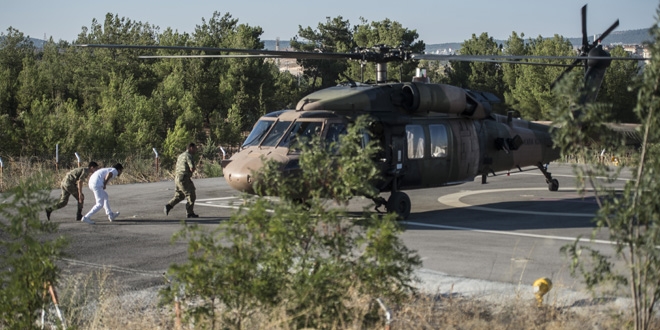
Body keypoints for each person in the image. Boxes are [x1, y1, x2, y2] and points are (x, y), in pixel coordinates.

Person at [164, 143, 199, 218]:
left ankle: (169, 206)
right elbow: (192, 168)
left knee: (179, 195)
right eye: (195, 148)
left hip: (177, 178)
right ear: (191, 148)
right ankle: (190, 213)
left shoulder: (180, 155)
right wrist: (193, 170)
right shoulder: (189, 156)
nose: (196, 150)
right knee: (191, 194)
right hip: (184, 178)